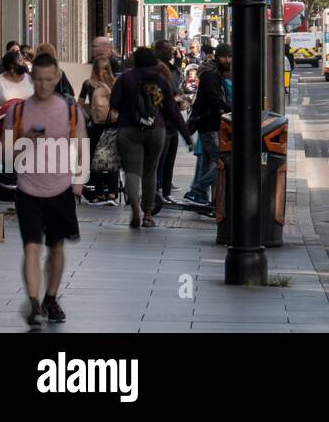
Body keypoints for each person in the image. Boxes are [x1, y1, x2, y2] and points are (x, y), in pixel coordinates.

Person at [10, 53, 86, 326]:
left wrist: (78, 182)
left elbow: (81, 147)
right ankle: (33, 303)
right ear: (32, 79)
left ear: (57, 78)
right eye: (38, 80)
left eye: (48, 80)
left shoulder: (70, 110)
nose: (42, 85)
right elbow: (8, 156)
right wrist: (24, 140)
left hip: (61, 189)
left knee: (56, 248)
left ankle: (50, 298)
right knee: (31, 247)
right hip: (28, 189)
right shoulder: (17, 111)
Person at [111, 47, 192, 228]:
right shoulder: (161, 80)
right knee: (150, 172)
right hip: (157, 129)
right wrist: (187, 136)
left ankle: (135, 209)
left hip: (129, 129)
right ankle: (148, 214)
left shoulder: (126, 78)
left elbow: (114, 103)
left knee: (132, 172)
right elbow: (172, 110)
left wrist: (129, 107)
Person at [182, 44, 231, 209]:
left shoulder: (217, 73)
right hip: (209, 125)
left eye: (230, 56)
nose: (228, 60)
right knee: (223, 162)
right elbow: (216, 100)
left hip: (213, 125)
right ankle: (197, 190)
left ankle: (198, 195)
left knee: (208, 162)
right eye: (225, 56)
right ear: (218, 56)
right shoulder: (211, 75)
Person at [78, 55, 119, 205]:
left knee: (96, 159)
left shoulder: (88, 84)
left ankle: (99, 194)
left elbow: (79, 105)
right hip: (112, 124)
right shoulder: (114, 83)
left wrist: (89, 117)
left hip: (96, 125)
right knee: (111, 158)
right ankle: (113, 194)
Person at [153, 40, 184, 209]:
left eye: (171, 49)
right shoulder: (157, 68)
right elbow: (162, 94)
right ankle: (157, 191)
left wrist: (178, 62)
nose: (171, 52)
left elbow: (176, 84)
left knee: (170, 158)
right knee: (161, 159)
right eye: (167, 49)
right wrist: (175, 98)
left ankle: (166, 191)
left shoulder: (169, 68)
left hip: (171, 121)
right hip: (162, 121)